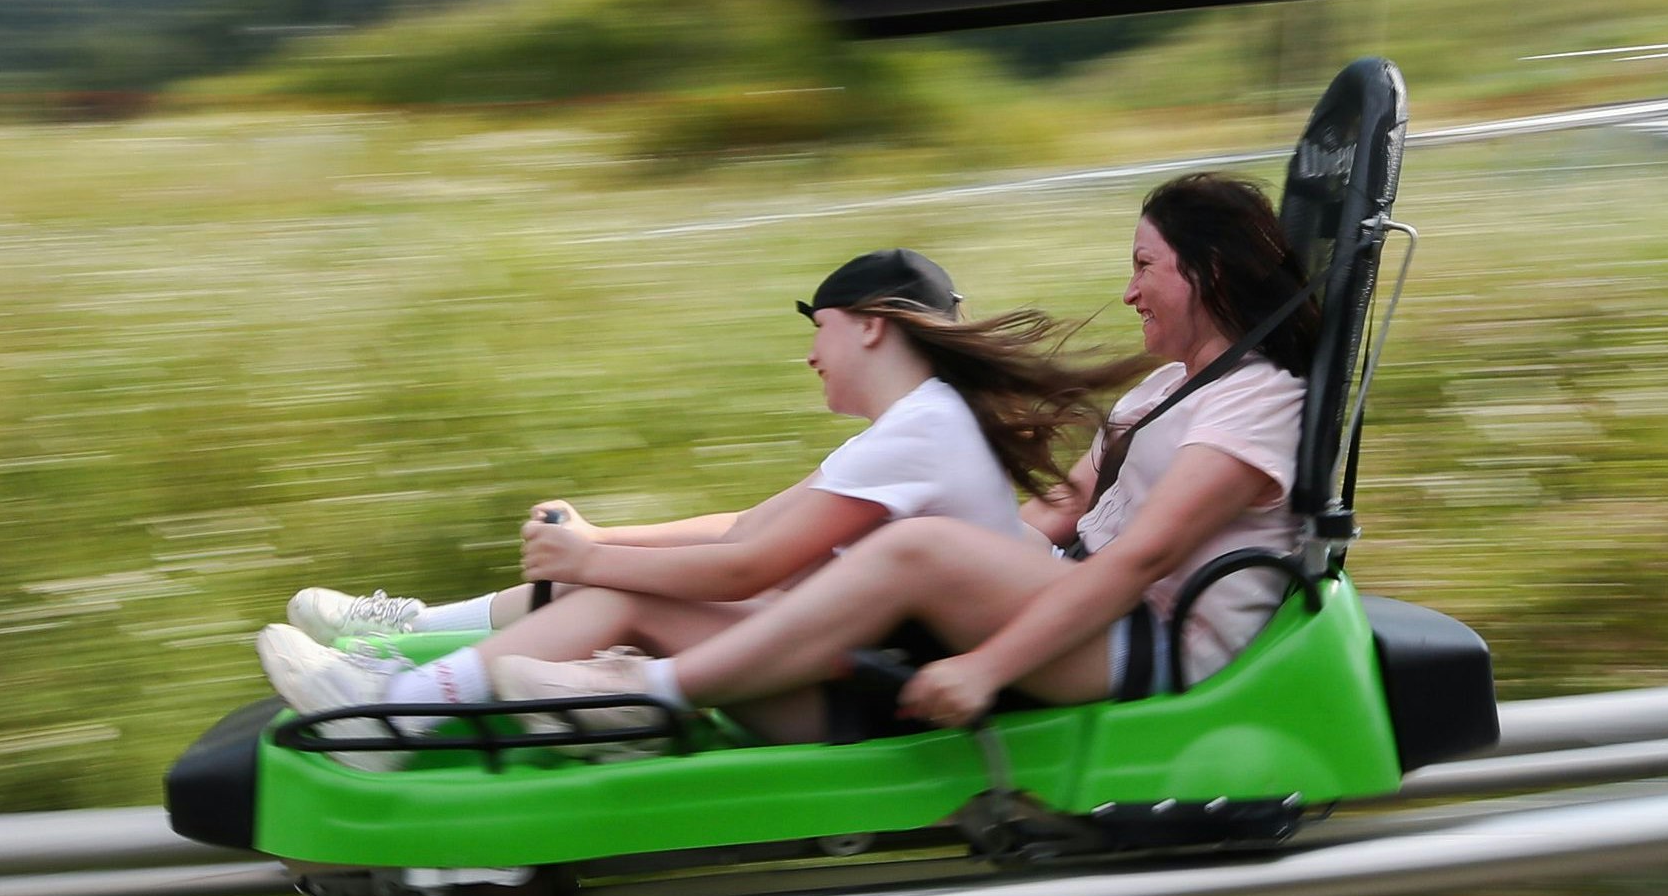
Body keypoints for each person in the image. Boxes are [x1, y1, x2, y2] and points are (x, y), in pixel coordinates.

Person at [449, 171, 1316, 739]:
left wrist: (985, 665)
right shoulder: (1162, 391)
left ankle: (653, 692)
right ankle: (454, 680)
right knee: (868, 545)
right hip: (1087, 599)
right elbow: (1065, 509)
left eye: (1144, 265)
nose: (1128, 290)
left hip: (1160, 644)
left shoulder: (1262, 397)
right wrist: (979, 555)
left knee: (907, 544)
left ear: (1206, 271)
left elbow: (1151, 553)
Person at [254, 247, 1144, 763]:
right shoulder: (914, 426)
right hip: (842, 674)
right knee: (627, 581)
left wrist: (595, 562)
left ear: (871, 323)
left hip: (865, 703)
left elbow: (754, 565)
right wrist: (603, 539)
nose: (810, 356)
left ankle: (396, 706)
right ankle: (403, 655)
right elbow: (747, 528)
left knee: (629, 593)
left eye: (817, 330)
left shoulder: (924, 429)